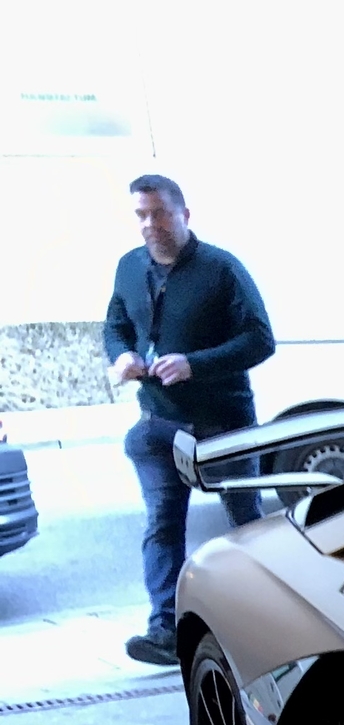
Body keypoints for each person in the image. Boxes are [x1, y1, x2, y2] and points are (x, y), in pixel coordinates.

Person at [104, 174, 274, 666]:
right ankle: (165, 629)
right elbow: (115, 325)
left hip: (224, 425)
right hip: (158, 424)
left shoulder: (221, 269)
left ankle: (268, 620)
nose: (150, 224)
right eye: (141, 214)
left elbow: (261, 340)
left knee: (245, 523)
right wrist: (122, 356)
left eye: (159, 212)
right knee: (161, 524)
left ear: (184, 214)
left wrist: (194, 363)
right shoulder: (128, 269)